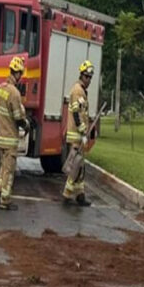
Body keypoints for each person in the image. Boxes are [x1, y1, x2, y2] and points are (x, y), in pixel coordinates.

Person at [0, 56, 27, 211]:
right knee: (9, 171)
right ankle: (5, 200)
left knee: (3, 168)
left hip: (0, 137)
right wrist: (26, 125)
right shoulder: (14, 93)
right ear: (18, 73)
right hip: (10, 139)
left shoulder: (0, 90)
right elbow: (18, 117)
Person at [63, 60, 95, 207]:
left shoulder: (82, 90)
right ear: (81, 75)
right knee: (76, 164)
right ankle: (67, 193)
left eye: (90, 77)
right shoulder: (77, 91)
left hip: (80, 134)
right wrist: (82, 130)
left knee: (80, 165)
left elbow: (82, 113)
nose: (88, 80)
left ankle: (80, 195)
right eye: (86, 77)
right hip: (76, 135)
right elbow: (76, 113)